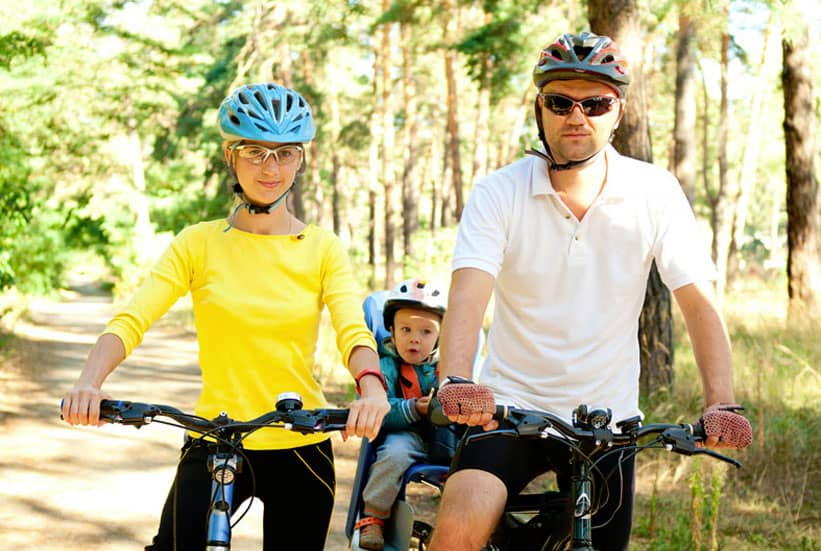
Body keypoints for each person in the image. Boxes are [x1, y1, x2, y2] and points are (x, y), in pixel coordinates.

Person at [427, 32, 753, 551]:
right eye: (560, 102)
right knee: (456, 534)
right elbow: (469, 296)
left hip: (608, 422)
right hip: (510, 410)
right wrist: (458, 382)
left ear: (617, 111)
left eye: (595, 103)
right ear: (541, 108)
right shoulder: (499, 193)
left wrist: (723, 403)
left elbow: (699, 302)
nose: (576, 116)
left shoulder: (654, 192)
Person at [60, 82, 390, 551]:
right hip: (214, 437)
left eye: (284, 153)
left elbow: (351, 330)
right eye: (254, 151)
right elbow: (132, 318)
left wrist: (372, 389)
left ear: (301, 159)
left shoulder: (322, 248)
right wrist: (89, 382)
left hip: (300, 440)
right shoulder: (198, 242)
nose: (269, 167)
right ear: (229, 155)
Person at [356, 278, 453, 550]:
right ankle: (374, 516)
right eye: (406, 329)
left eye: (426, 332)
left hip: (447, 439)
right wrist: (413, 408)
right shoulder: (385, 366)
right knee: (394, 452)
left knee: (479, 459)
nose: (414, 338)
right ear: (391, 330)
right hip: (403, 434)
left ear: (440, 336)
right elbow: (379, 411)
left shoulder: (446, 367)